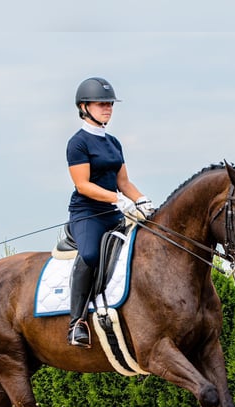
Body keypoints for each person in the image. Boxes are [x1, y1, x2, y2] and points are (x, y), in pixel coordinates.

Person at [66, 77, 154, 347]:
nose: (108, 108)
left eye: (110, 104)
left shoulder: (114, 143)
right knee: (91, 255)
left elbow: (124, 181)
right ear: (84, 107)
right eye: (101, 103)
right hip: (87, 213)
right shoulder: (78, 143)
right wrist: (117, 199)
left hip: (115, 211)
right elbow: (83, 184)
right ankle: (76, 322)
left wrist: (141, 200)